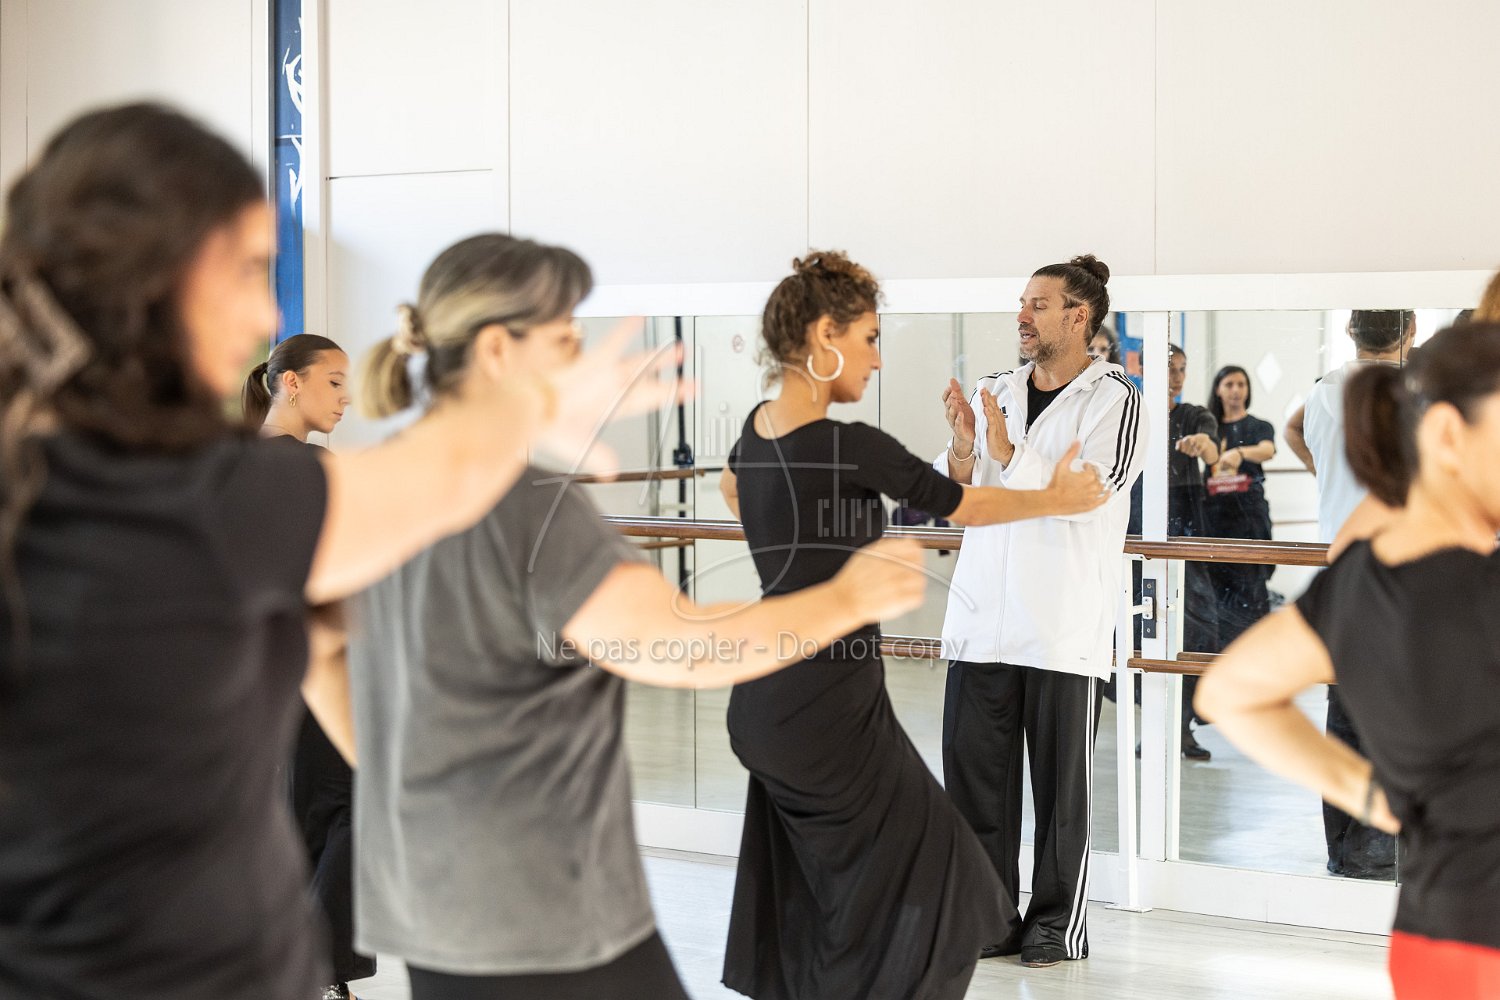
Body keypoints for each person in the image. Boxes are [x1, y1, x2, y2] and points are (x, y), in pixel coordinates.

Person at [0, 103, 682, 1000]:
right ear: (150, 280)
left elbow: (328, 634)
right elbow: (444, 474)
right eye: (249, 269)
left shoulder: (59, 474)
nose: (265, 309)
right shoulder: (202, 501)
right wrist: (535, 395)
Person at [346, 236, 936, 1000]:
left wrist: (408, 779)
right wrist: (850, 598)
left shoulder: (370, 482)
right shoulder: (528, 509)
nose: (584, 362)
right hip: (541, 905)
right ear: (496, 351)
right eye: (566, 341)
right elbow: (681, 647)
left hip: (426, 893)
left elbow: (320, 651)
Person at [715, 251, 1108, 1000]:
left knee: (822, 878)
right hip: (827, 705)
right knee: (945, 878)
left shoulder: (757, 432)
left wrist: (801, 555)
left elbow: (735, 487)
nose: (877, 358)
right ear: (824, 337)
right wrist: (1054, 497)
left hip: (763, 701)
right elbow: (966, 504)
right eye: (868, 339)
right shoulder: (851, 447)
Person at [1196, 321, 1500, 1000]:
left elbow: (1232, 692)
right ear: (1448, 434)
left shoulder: (1366, 577)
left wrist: (1374, 796)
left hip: (1436, 936)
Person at [938, 255, 1148, 968]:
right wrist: (964, 448)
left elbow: (1089, 491)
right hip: (982, 622)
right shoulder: (995, 388)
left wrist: (1008, 451)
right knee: (975, 785)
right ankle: (989, 918)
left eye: (1038, 304)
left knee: (1061, 795)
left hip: (1062, 627)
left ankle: (1057, 924)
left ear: (1078, 316)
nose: (1022, 315)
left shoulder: (1115, 396)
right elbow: (959, 495)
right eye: (1022, 303)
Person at [243, 334, 373, 1000]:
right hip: (313, 664)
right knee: (359, 804)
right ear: (290, 383)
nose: (346, 398)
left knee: (307, 814)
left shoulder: (238, 460)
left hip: (260, 672)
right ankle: (314, 969)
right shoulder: (309, 466)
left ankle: (306, 970)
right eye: (333, 382)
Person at [1284, 308, 1413, 879]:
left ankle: (1344, 848)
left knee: (1345, 712)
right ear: (1412, 331)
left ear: (1349, 331)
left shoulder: (1323, 391)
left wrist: (1330, 479)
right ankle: (1372, 850)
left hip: (1341, 569)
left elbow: (1291, 430)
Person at [1203, 365, 1277, 646]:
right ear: (1218, 389)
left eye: (1241, 384)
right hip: (1215, 517)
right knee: (1217, 587)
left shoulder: (1258, 426)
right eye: (1229, 384)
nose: (1236, 390)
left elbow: (1268, 449)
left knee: (1252, 585)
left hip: (1249, 517)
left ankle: (1257, 649)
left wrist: (1240, 453)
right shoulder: (1209, 427)